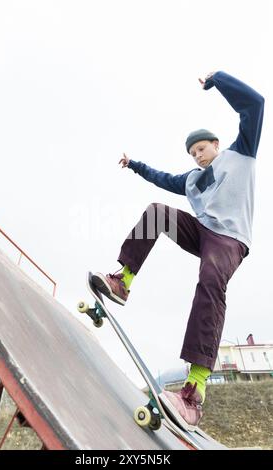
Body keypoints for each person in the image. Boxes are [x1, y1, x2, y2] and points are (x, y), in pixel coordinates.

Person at [92, 71, 264, 430]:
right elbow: (161, 178)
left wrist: (217, 80)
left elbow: (255, 105)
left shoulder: (241, 153)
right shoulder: (190, 180)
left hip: (229, 240)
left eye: (201, 150)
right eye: (192, 153)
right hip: (200, 232)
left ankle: (194, 388)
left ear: (216, 144)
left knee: (210, 280)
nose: (198, 157)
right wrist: (135, 165)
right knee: (157, 213)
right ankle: (123, 279)